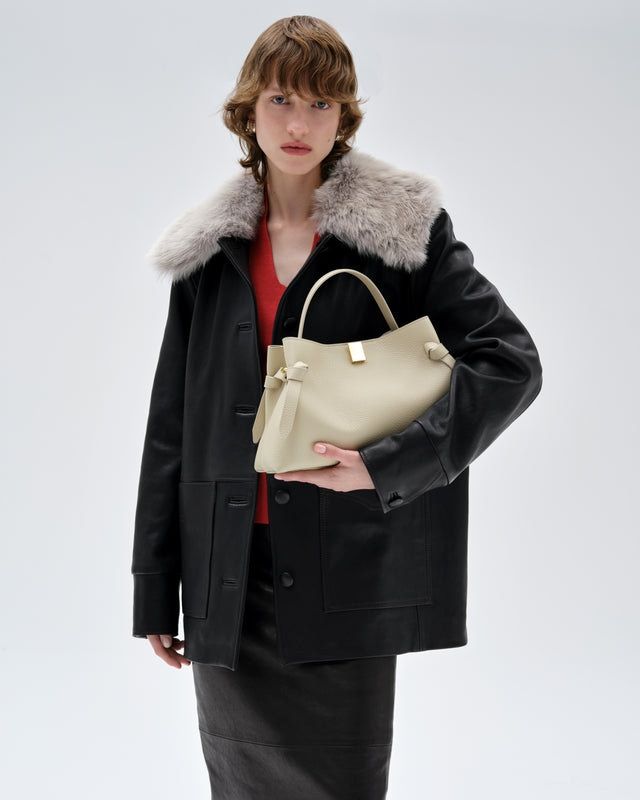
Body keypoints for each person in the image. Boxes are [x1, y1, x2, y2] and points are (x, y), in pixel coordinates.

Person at [130, 14, 543, 800]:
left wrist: (388, 465)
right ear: (249, 110)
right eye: (281, 99)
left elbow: (509, 362)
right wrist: (156, 584)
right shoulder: (208, 251)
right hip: (227, 581)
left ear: (344, 117)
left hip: (347, 575)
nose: (299, 124)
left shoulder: (402, 231)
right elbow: (172, 426)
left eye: (322, 103)